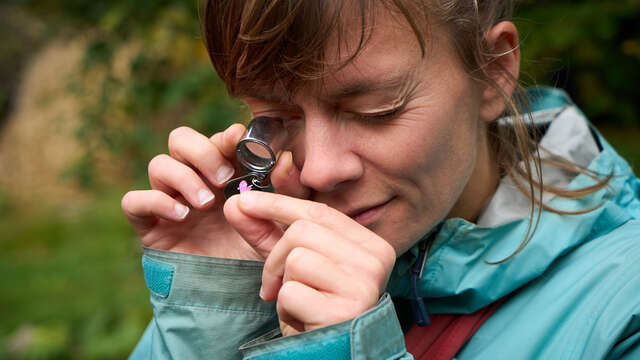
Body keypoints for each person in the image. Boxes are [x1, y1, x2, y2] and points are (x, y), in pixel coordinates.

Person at [122, 1, 640, 359]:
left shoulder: (625, 310)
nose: (320, 169)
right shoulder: (271, 269)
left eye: (375, 111)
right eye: (277, 119)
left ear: (493, 72)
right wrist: (215, 309)